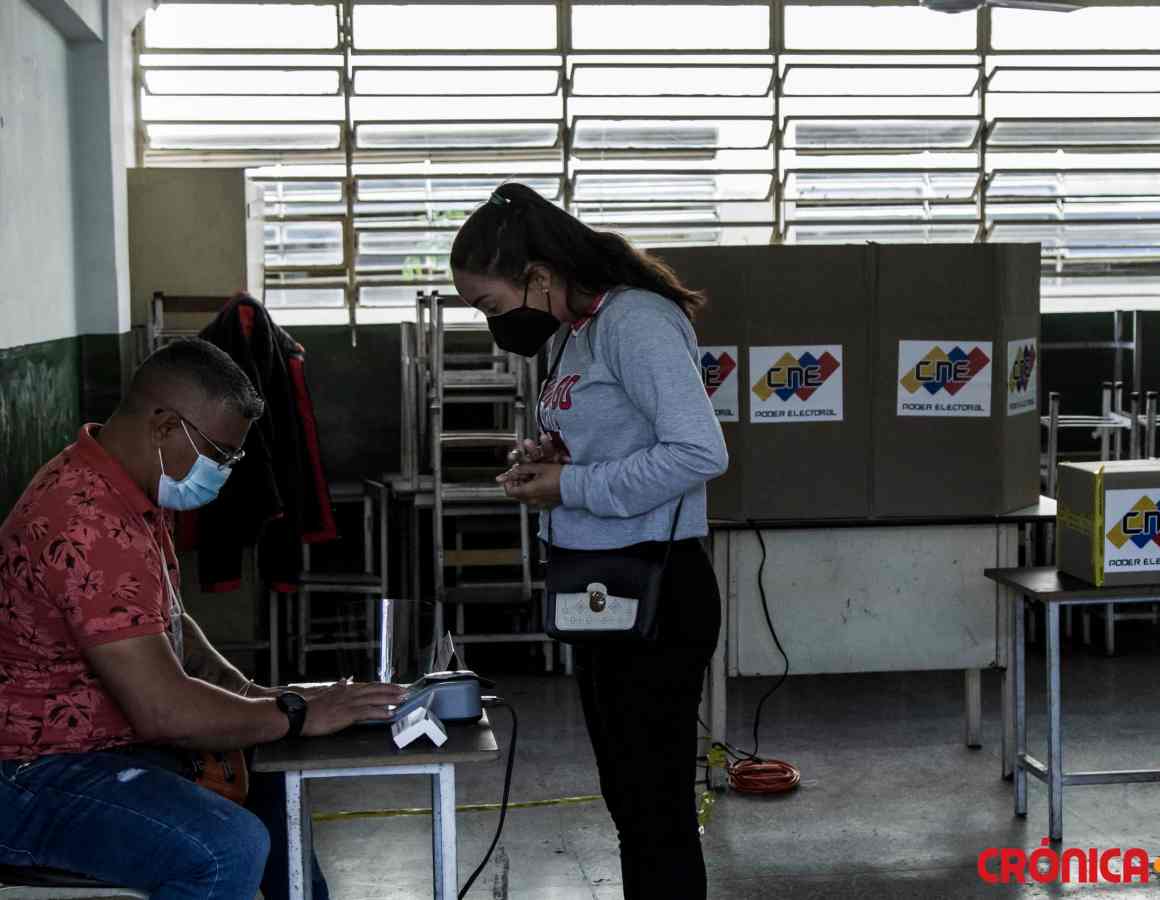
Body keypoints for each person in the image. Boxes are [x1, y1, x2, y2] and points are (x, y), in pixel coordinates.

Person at [0, 338, 407, 899]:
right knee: (226, 848)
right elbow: (163, 710)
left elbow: (170, 624)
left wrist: (257, 697)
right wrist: (291, 714)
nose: (226, 471)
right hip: (29, 773)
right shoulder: (82, 520)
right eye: (220, 454)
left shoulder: (128, 491)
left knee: (273, 779)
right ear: (165, 426)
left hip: (95, 746)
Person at [450, 182, 729, 899]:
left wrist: (569, 486)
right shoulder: (578, 332)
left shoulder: (634, 321)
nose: (492, 323)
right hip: (599, 584)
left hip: (655, 587)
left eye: (490, 304)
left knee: (655, 810)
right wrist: (547, 458)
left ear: (537, 276)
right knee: (630, 804)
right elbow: (605, 442)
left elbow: (698, 453)